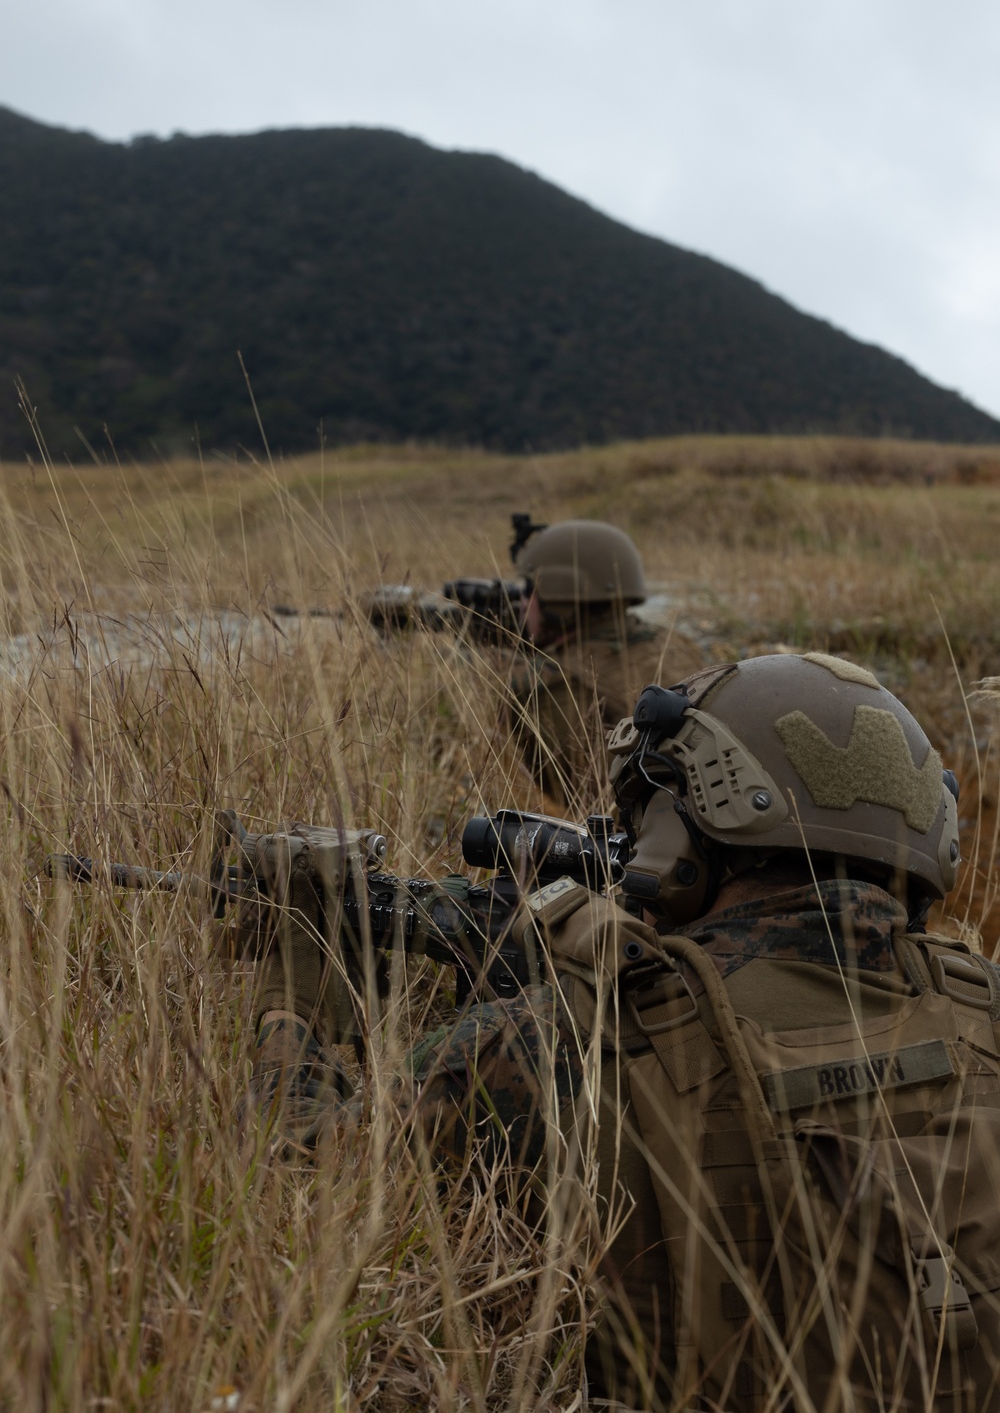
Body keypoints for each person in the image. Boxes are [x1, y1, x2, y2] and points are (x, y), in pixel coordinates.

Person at [252, 651, 1000, 1411]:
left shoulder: (573, 1039)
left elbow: (302, 1171)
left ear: (689, 825)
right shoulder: (984, 1006)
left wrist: (293, 986)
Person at [507, 518, 702, 802]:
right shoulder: (674, 643)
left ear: (558, 596)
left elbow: (584, 799)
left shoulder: (548, 684)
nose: (522, 602)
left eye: (528, 589)